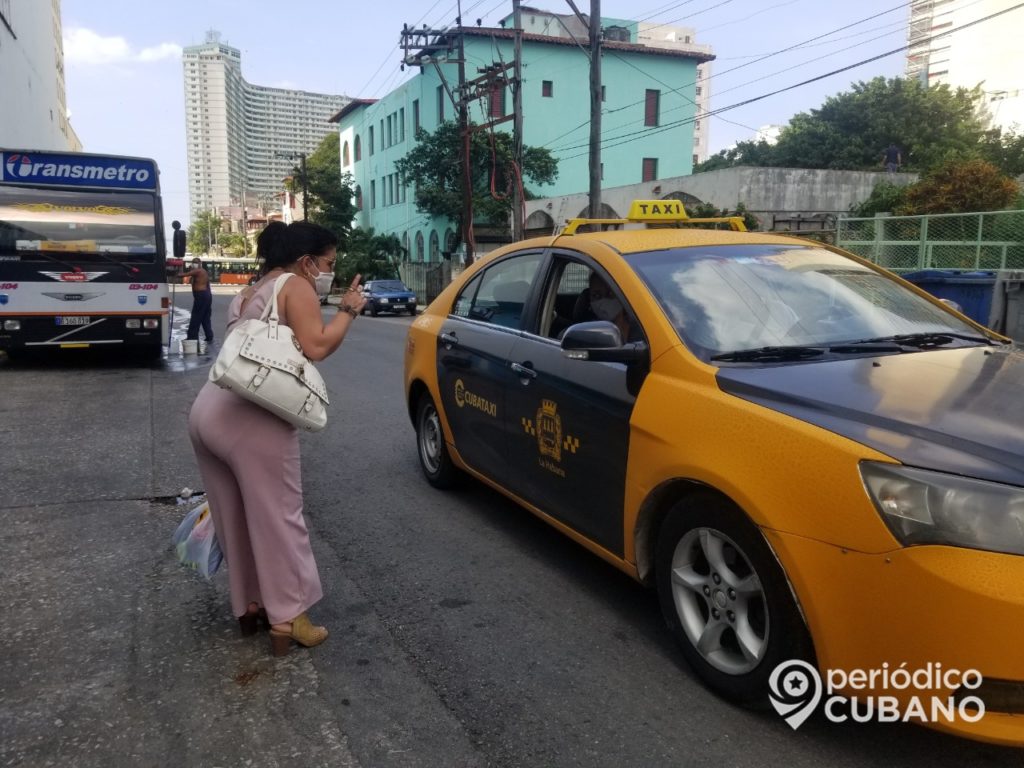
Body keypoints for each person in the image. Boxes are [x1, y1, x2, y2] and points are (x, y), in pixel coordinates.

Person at [187, 221, 367, 657]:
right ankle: (289, 618)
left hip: (208, 411)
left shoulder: (253, 290)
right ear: (307, 261)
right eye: (327, 264)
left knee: (235, 517)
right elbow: (316, 346)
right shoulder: (297, 284)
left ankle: (250, 606)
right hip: (253, 419)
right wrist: (348, 309)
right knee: (280, 518)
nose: (328, 272)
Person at [575, 271, 631, 341]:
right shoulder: (584, 334)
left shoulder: (641, 327)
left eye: (610, 294)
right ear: (590, 299)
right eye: (596, 295)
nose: (603, 300)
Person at [184, 256, 214, 344]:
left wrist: (173, 273)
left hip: (201, 297)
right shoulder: (199, 273)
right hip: (205, 297)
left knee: (195, 317)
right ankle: (209, 336)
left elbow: (183, 275)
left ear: (200, 264)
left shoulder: (199, 271)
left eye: (196, 262)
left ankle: (192, 338)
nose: (195, 264)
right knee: (205, 318)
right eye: (193, 262)